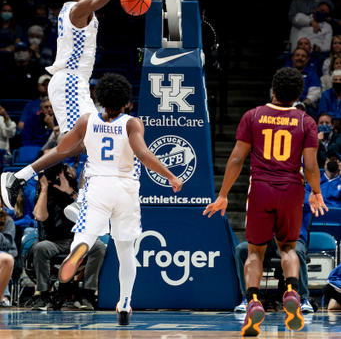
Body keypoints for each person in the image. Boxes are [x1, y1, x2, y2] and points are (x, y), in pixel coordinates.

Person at [1, 72, 183, 325]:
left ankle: (77, 251)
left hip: (98, 186)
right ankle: (125, 302)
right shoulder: (132, 123)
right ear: (127, 102)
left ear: (101, 99)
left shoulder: (87, 121)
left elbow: (62, 150)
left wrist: (28, 170)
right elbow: (142, 153)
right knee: (126, 250)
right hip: (126, 189)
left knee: (85, 234)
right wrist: (170, 176)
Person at [203, 67, 327, 336]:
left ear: (273, 90)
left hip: (260, 188)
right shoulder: (306, 121)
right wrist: (316, 192)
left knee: (255, 252)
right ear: (298, 95)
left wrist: (223, 194)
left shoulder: (254, 116)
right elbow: (311, 165)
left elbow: (236, 159)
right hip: (293, 189)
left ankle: (253, 301)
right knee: (288, 249)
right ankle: (292, 292)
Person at [46, 0, 135, 136]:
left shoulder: (78, 5)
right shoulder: (78, 9)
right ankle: (30, 170)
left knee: (90, 138)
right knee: (75, 141)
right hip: (69, 80)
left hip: (74, 81)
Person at [29, 162, 106, 311]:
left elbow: (88, 212)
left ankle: (87, 294)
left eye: (67, 173)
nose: (63, 177)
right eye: (60, 174)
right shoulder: (44, 194)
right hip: (53, 242)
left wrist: (69, 191)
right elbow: (39, 215)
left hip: (76, 241)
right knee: (40, 247)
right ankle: (43, 294)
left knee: (99, 246)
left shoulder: (77, 192)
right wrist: (44, 188)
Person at [0, 194, 17, 307]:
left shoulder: (8, 221)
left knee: (6, 259)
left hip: (3, 252)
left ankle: (2, 297)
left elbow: (6, 245)